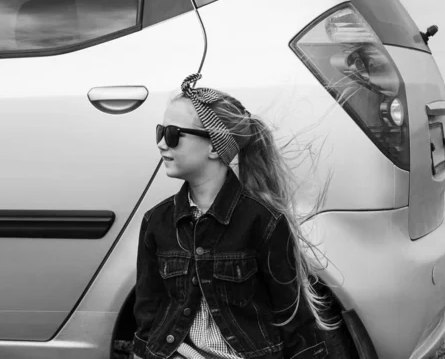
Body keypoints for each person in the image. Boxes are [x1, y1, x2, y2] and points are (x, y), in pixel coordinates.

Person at [132, 74, 336, 359]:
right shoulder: (156, 221)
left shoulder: (263, 221)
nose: (162, 144)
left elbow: (293, 319)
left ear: (215, 146)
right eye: (160, 132)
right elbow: (148, 311)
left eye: (173, 135)